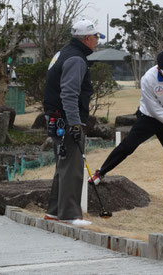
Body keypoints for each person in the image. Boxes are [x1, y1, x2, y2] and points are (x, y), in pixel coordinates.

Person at [90, 50, 163, 211]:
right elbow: (155, 110)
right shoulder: (148, 79)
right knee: (128, 146)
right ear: (159, 69)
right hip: (149, 118)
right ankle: (101, 172)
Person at [43, 18, 105, 226]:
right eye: (96, 37)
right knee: (73, 165)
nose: (97, 41)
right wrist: (75, 124)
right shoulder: (77, 59)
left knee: (64, 164)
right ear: (86, 38)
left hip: (55, 116)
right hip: (65, 119)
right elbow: (69, 94)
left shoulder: (63, 52)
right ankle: (69, 215)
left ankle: (54, 212)